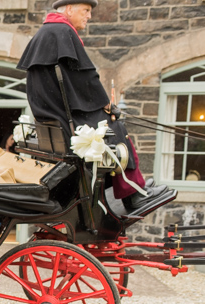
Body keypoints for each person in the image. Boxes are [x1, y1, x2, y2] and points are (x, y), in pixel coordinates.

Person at [16, 0, 167, 209]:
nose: (89, 16)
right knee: (116, 128)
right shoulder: (63, 32)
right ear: (69, 9)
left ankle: (133, 188)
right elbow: (84, 77)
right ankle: (133, 193)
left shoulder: (45, 33)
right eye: (85, 10)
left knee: (112, 127)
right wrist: (105, 105)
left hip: (53, 118)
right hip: (65, 120)